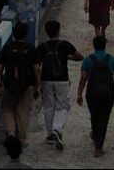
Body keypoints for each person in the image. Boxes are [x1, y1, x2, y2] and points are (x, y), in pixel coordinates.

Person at [34, 20, 83, 150]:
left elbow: (37, 66)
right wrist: (67, 58)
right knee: (63, 106)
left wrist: (37, 84)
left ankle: (50, 134)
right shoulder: (64, 45)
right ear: (58, 30)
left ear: (46, 31)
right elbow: (79, 57)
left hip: (46, 79)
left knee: (48, 106)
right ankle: (57, 128)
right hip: (62, 79)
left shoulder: (42, 47)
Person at [77, 36, 114, 157]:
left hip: (92, 93)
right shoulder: (111, 59)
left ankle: (95, 133)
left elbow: (83, 78)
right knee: (104, 118)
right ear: (105, 45)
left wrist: (79, 94)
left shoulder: (88, 60)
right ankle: (99, 147)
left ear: (94, 45)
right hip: (108, 93)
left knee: (94, 115)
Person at [0, 22, 37, 149]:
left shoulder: (7, 48)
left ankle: (12, 134)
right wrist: (37, 85)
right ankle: (22, 139)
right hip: (26, 84)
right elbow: (36, 68)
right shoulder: (30, 48)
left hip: (10, 84)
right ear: (26, 34)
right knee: (23, 111)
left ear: (13, 33)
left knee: (7, 109)